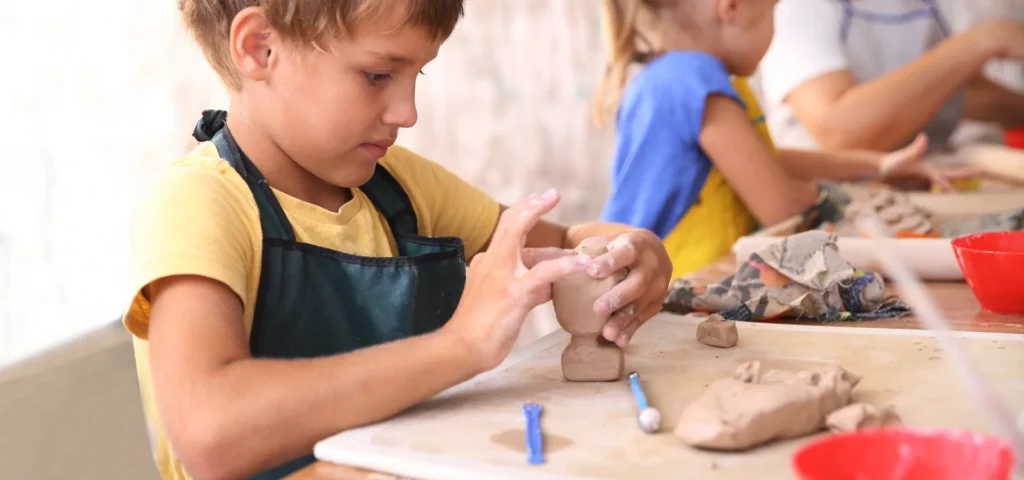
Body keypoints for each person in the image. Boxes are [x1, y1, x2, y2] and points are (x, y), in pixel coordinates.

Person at [124, 1, 673, 478]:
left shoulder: (400, 187)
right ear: (261, 48)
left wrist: (632, 245)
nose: (407, 113)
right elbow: (210, 433)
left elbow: (567, 241)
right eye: (377, 75)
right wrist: (461, 346)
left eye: (418, 75)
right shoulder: (198, 204)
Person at [593, 0, 974, 279]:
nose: (776, 30)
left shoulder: (679, 76)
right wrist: (852, 204)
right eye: (773, 10)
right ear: (731, 7)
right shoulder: (694, 80)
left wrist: (875, 165)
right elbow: (782, 206)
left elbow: (766, 161)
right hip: (665, 286)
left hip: (675, 276)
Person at [757, 0, 1024, 152]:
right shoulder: (800, 8)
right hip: (837, 201)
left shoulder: (930, 5)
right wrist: (984, 41)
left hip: (929, 180)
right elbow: (838, 131)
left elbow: (960, 94)